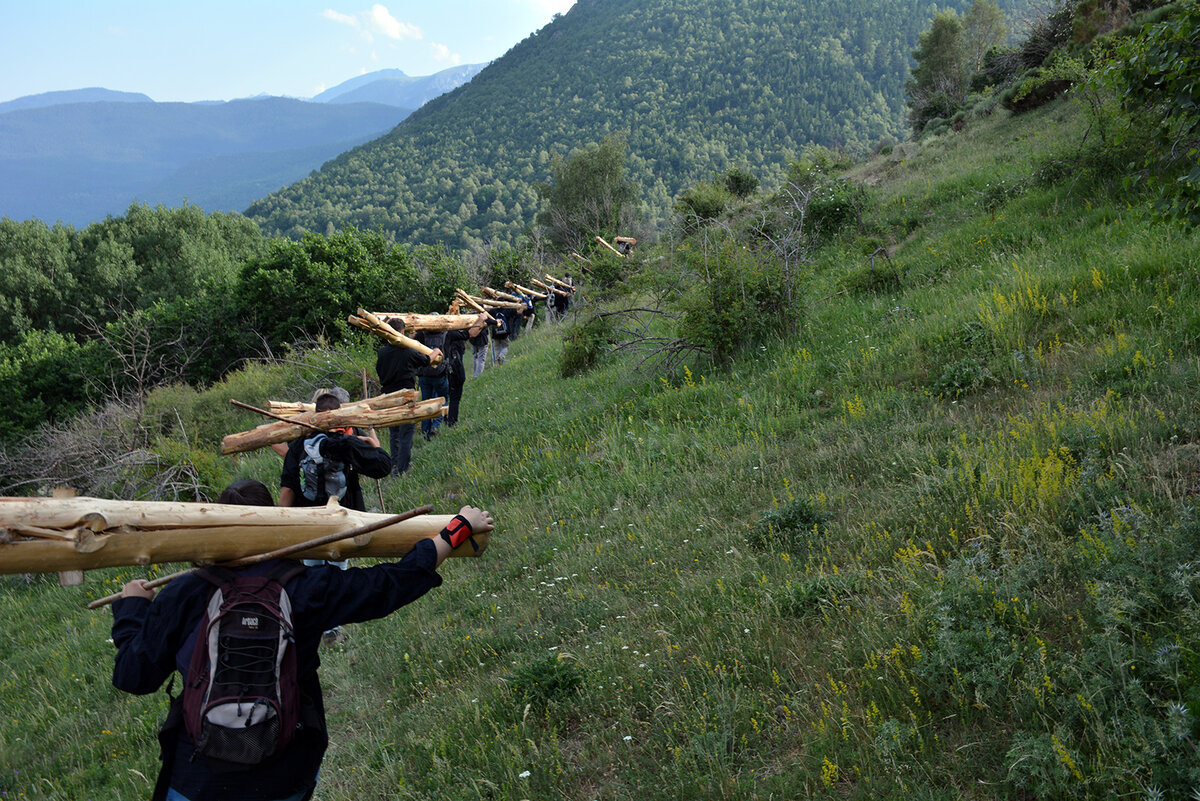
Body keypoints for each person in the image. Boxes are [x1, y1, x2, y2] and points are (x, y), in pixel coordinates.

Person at [110, 478, 495, 801]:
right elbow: (390, 584)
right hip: (285, 772)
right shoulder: (308, 587)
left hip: (196, 778)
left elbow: (134, 676)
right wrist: (455, 529)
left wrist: (132, 609)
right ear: (281, 524)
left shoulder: (185, 592)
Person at [278, 393, 391, 511]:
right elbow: (384, 467)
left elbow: (288, 488)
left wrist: (281, 519)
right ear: (339, 416)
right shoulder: (346, 443)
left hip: (308, 517)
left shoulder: (299, 444)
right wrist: (376, 447)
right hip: (345, 514)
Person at [375, 320, 443, 475]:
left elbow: (380, 371)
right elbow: (426, 360)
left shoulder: (382, 353)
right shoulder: (408, 351)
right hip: (406, 395)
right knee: (406, 432)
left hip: (388, 396)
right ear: (403, 332)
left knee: (395, 432)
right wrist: (436, 351)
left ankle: (394, 465)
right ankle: (402, 469)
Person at [443, 315, 487, 427]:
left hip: (443, 369)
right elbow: (472, 333)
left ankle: (443, 421)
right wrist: (481, 319)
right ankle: (451, 422)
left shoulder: (439, 333)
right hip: (454, 370)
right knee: (454, 397)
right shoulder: (452, 334)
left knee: (444, 396)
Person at [414, 320, 449, 441]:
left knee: (425, 403)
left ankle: (425, 433)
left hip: (424, 375)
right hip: (440, 374)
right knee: (442, 399)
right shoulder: (444, 333)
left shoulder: (421, 335)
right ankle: (436, 425)